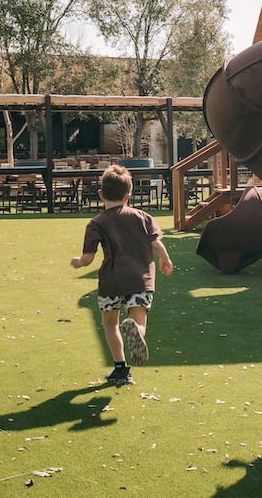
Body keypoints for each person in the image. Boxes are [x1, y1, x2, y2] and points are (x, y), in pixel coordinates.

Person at [71, 164, 173, 386]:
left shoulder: (96, 223)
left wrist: (77, 263)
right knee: (138, 319)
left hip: (112, 281)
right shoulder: (143, 217)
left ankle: (120, 369)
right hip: (141, 278)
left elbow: (87, 258)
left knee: (110, 322)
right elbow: (156, 243)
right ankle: (136, 331)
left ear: (100, 194)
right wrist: (165, 259)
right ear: (128, 196)